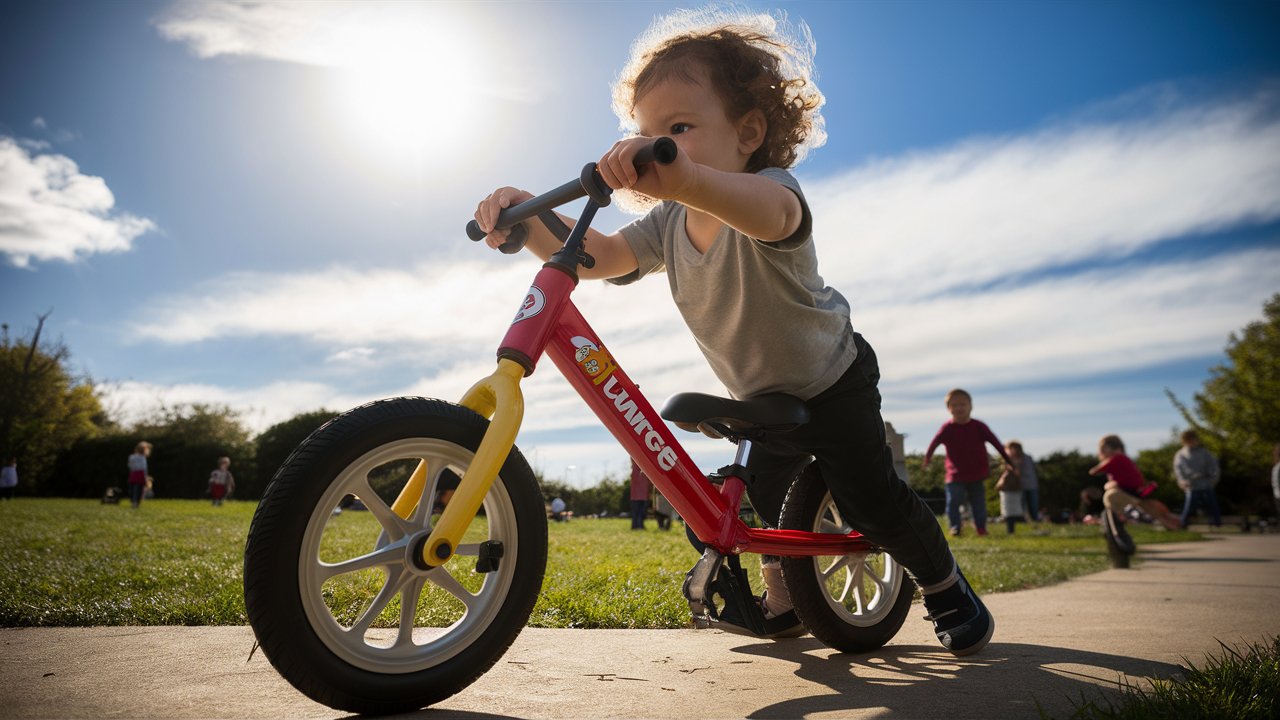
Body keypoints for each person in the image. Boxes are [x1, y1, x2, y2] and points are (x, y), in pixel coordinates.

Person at [473, 7, 993, 656]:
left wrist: (688, 179)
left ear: (748, 132)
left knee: (870, 500)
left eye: (680, 128)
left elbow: (777, 217)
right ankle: (785, 593)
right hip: (761, 398)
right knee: (760, 504)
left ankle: (945, 584)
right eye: (646, 132)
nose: (655, 146)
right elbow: (601, 257)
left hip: (832, 380)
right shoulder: (668, 224)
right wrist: (527, 219)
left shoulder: (766, 188)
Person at [923, 389, 1013, 537]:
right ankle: (955, 528)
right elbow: (934, 443)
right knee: (953, 501)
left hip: (977, 473)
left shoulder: (979, 426)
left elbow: (996, 443)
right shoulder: (947, 428)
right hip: (955, 474)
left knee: (978, 504)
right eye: (954, 405)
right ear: (949, 408)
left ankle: (981, 529)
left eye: (963, 404)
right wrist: (927, 459)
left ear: (971, 406)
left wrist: (1008, 460)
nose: (959, 408)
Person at [1088, 434, 1180, 531]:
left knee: (1110, 497)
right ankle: (1173, 526)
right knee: (1152, 511)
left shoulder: (1115, 458)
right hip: (1136, 491)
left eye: (1103, 449)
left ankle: (1117, 523)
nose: (1101, 452)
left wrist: (1109, 483)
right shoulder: (1124, 458)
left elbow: (1093, 471)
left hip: (1128, 491)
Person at [1173, 430, 1221, 529]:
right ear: (1185, 441)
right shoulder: (1181, 454)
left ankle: (1217, 522)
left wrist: (1213, 480)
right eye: (1189, 440)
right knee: (1189, 504)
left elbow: (1214, 467)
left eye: (1193, 439)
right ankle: (1183, 523)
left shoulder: (1205, 453)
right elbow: (1178, 470)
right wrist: (1182, 481)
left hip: (1205, 483)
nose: (1192, 442)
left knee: (1212, 503)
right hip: (1191, 485)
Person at [1006, 441, 1040, 522]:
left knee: (1033, 504)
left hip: (1031, 485)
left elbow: (1033, 471)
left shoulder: (1028, 458)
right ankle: (1022, 519)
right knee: (1021, 504)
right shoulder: (1010, 459)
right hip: (1019, 486)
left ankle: (1034, 519)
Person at [994, 463, 1023, 534]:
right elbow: (998, 487)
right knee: (1010, 516)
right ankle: (1011, 531)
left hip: (1011, 498)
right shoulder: (1007, 475)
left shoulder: (1010, 476)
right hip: (1008, 498)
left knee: (1011, 516)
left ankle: (1011, 531)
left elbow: (998, 487)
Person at [126, 441, 152, 509]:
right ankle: (136, 502)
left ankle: (134, 502)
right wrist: (146, 477)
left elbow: (130, 466)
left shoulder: (131, 457)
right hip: (140, 474)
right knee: (139, 489)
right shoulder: (142, 458)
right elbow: (144, 468)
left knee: (133, 489)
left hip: (133, 473)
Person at [629, 459, 650, 530]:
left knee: (638, 511)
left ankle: (637, 525)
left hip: (638, 495)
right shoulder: (642, 470)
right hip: (639, 495)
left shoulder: (640, 470)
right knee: (639, 511)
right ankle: (638, 525)